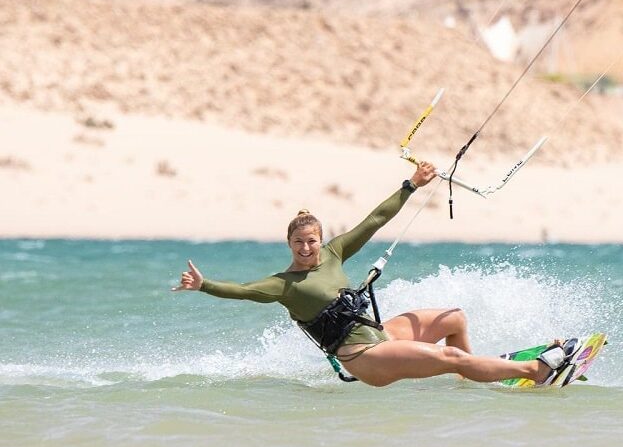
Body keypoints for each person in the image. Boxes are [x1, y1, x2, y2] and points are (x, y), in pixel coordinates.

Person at [172, 161, 568, 387]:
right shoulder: (284, 285)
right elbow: (241, 291)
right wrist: (204, 284)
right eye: (299, 243)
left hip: (380, 334)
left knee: (454, 319)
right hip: (364, 357)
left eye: (312, 241)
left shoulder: (334, 253)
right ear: (289, 244)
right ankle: (533, 372)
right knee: (449, 355)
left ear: (320, 239)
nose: (307, 248)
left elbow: (375, 219)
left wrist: (410, 185)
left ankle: (469, 378)